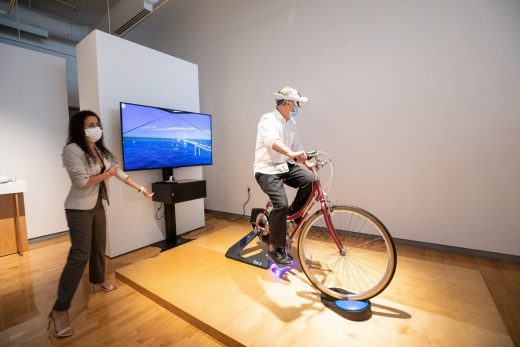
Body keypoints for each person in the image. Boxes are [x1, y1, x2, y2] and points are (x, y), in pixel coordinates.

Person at [48, 110, 154, 338]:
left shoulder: (101, 150)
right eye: (90, 124)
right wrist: (108, 174)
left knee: (99, 246)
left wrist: (141, 189)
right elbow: (82, 182)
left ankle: (97, 280)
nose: (96, 128)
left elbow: (119, 173)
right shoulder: (72, 150)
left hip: (97, 204)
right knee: (80, 254)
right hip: (78, 208)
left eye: (97, 124)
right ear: (79, 127)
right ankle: (60, 309)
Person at [253, 86, 314, 267]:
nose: (296, 107)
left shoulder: (291, 123)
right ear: (288, 103)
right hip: (266, 169)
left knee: (310, 181)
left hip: (283, 166)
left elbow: (297, 146)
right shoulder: (268, 119)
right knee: (281, 203)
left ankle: (291, 217)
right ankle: (276, 248)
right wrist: (291, 154)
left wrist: (308, 163)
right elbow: (273, 142)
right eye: (295, 103)